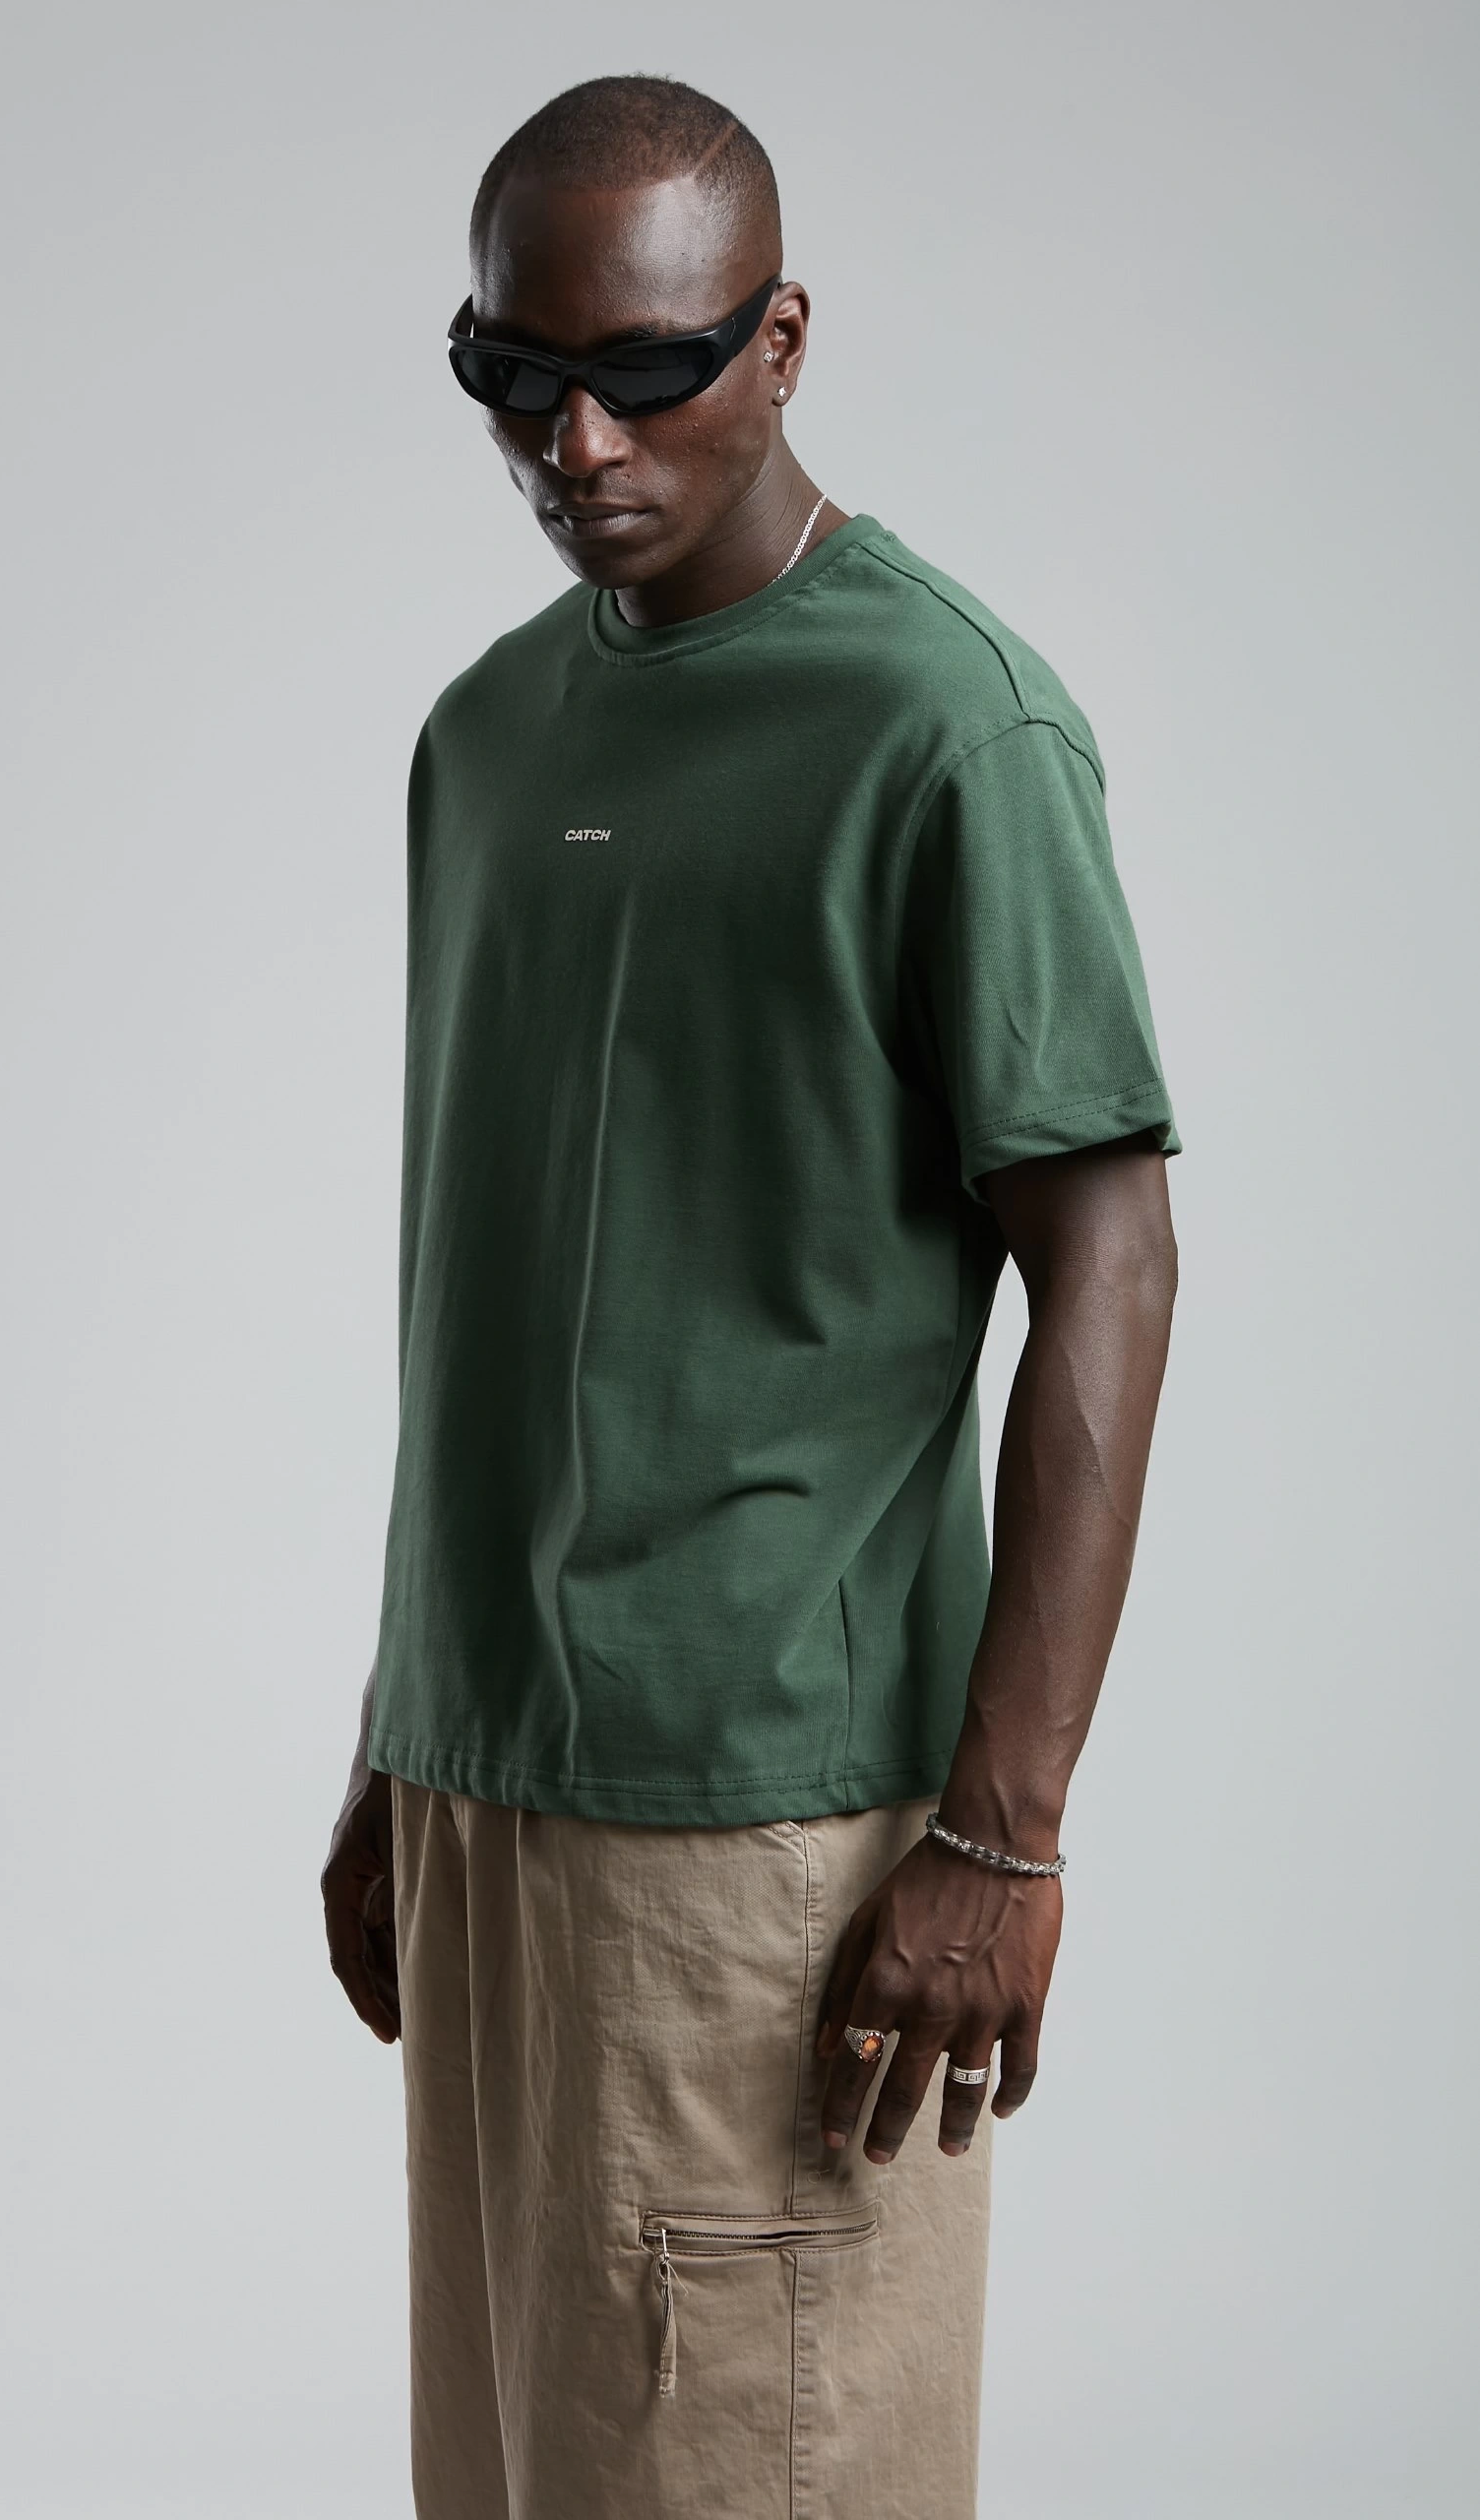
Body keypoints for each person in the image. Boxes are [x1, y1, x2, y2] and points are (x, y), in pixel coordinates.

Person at [322, 73, 1179, 2520]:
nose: (573, 441)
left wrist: (1003, 1832)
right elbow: (511, 1271)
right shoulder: (489, 732)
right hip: (490, 1794)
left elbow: (1106, 1256)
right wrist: (407, 1733)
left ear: (780, 338)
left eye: (648, 369)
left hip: (769, 1825)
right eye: (509, 374)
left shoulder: (947, 723)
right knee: (517, 2472)